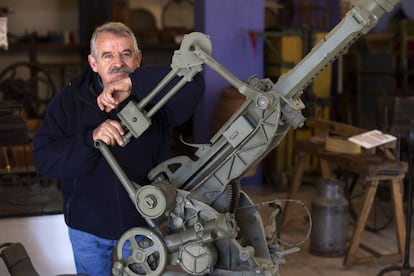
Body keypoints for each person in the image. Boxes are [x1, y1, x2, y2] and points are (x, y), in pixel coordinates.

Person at [32, 22, 204, 276]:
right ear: (93, 63)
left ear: (138, 59)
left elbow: (194, 84)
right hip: (87, 228)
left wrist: (133, 85)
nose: (118, 62)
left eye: (126, 54)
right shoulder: (69, 102)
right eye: (107, 55)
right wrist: (90, 139)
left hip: (143, 224)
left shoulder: (158, 94)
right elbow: (45, 158)